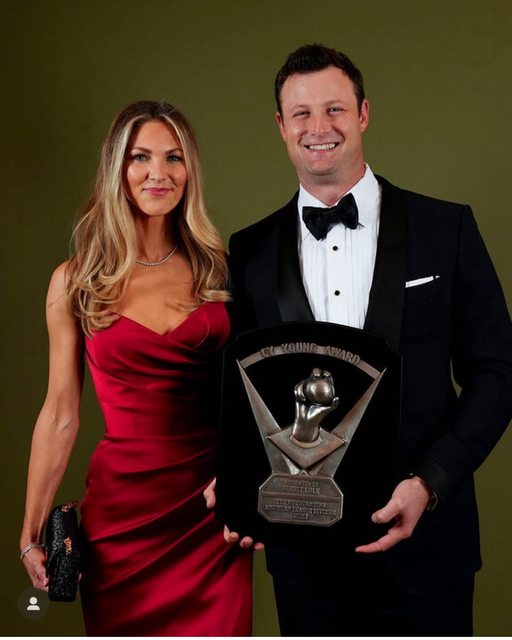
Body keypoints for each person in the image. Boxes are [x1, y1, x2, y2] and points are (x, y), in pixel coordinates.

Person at [219, 44, 512, 636]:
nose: (319, 127)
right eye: (301, 113)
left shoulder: (446, 228)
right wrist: (239, 487)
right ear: (280, 125)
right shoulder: (248, 251)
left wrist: (430, 482)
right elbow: (241, 390)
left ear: (363, 113)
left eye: (334, 109)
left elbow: (499, 371)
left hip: (428, 554)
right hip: (302, 563)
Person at [19, 101, 252, 636]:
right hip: (121, 519)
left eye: (174, 157)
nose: (158, 173)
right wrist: (30, 532)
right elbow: (60, 413)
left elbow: (258, 395)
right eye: (140, 157)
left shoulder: (222, 271)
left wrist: (249, 477)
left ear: (189, 171)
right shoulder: (75, 281)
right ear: (117, 169)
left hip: (210, 512)